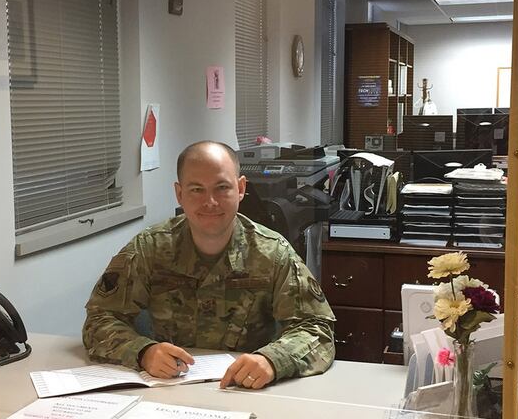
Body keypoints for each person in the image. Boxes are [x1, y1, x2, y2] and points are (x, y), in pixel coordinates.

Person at [82, 141, 335, 389]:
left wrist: (272, 360)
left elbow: (317, 329)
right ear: (179, 194)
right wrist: (143, 352)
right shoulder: (150, 248)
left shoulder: (272, 252)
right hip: (168, 387)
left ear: (241, 188)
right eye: (196, 189)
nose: (210, 202)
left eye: (222, 187)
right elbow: (99, 319)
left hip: (246, 388)